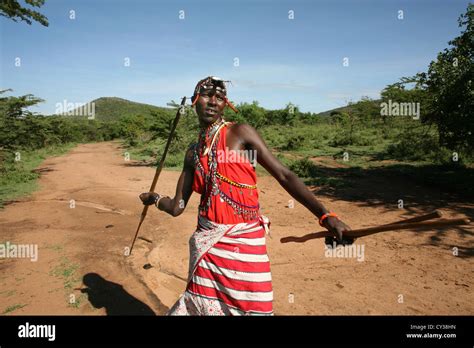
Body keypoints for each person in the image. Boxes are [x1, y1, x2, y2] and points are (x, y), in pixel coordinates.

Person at [139, 76, 351, 315]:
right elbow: (178, 206)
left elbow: (283, 174)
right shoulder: (192, 153)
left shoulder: (240, 133)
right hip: (208, 248)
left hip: (246, 243)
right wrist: (156, 199)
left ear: (225, 104)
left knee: (255, 306)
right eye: (207, 95)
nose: (212, 102)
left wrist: (325, 215)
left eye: (219, 98)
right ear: (194, 100)